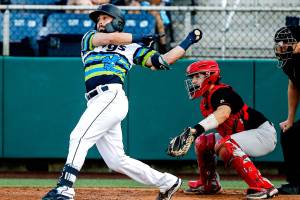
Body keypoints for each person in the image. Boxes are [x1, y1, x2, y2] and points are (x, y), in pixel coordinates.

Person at [41, 3, 202, 200]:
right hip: (96, 102)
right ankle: (167, 182)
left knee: (79, 137)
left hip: (111, 97)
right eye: (98, 19)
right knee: (116, 161)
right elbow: (109, 38)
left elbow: (163, 61)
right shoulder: (90, 38)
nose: (99, 22)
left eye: (104, 18)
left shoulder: (131, 48)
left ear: (117, 21)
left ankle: (64, 189)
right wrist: (139, 38)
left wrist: (187, 41)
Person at [181, 60, 278, 199]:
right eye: (192, 77)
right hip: (243, 134)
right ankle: (209, 184)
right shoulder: (206, 99)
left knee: (226, 144)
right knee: (202, 142)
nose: (193, 81)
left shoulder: (222, 92)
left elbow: (223, 113)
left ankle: (264, 186)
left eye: (197, 76)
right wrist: (197, 133)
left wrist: (196, 129)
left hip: (263, 134)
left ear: (210, 75)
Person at [274, 26, 300, 194]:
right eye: (279, 43)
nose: (281, 46)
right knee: (290, 133)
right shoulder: (290, 63)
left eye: (286, 42)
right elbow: (293, 86)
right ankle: (295, 184)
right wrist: (290, 119)